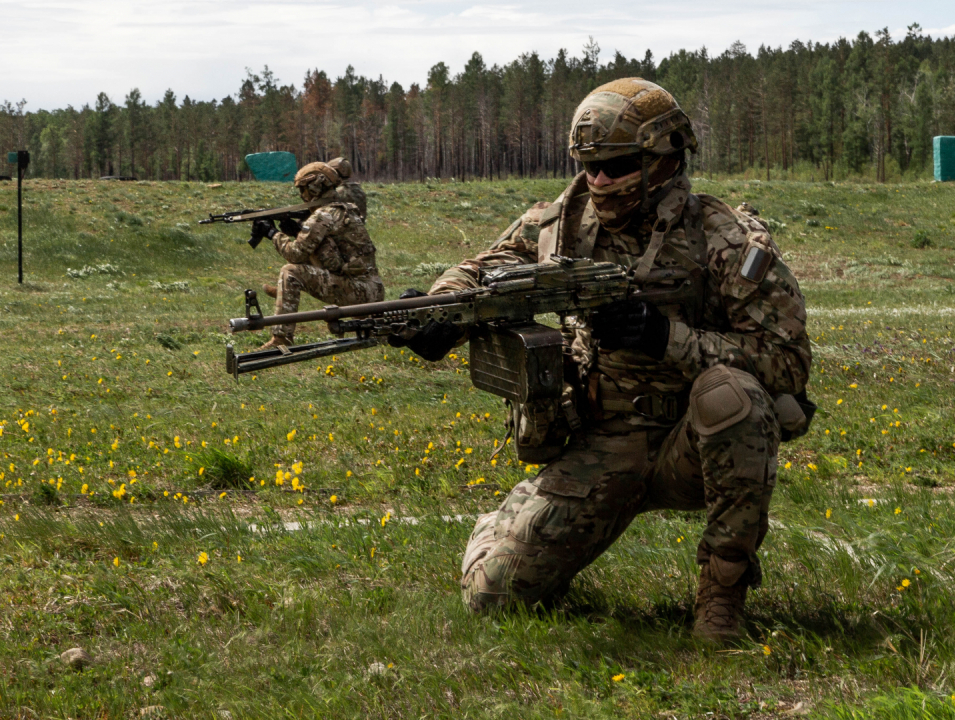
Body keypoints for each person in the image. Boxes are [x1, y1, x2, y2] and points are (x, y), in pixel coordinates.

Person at [392, 78, 812, 639]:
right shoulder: (560, 223)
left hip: (692, 440)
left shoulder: (724, 240)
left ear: (664, 158)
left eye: (615, 165)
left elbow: (786, 364)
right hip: (601, 441)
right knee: (493, 598)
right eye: (588, 166)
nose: (599, 181)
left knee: (735, 397)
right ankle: (504, 525)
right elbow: (482, 268)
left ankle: (722, 593)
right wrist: (440, 307)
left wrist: (665, 337)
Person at [252, 158, 384, 350]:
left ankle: (281, 338)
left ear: (314, 188)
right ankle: (285, 295)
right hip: (371, 289)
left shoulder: (323, 215)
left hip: (358, 291)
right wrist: (296, 231)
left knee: (290, 272)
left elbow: (295, 254)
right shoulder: (343, 209)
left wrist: (272, 234)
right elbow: (322, 248)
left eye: (303, 189)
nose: (302, 195)